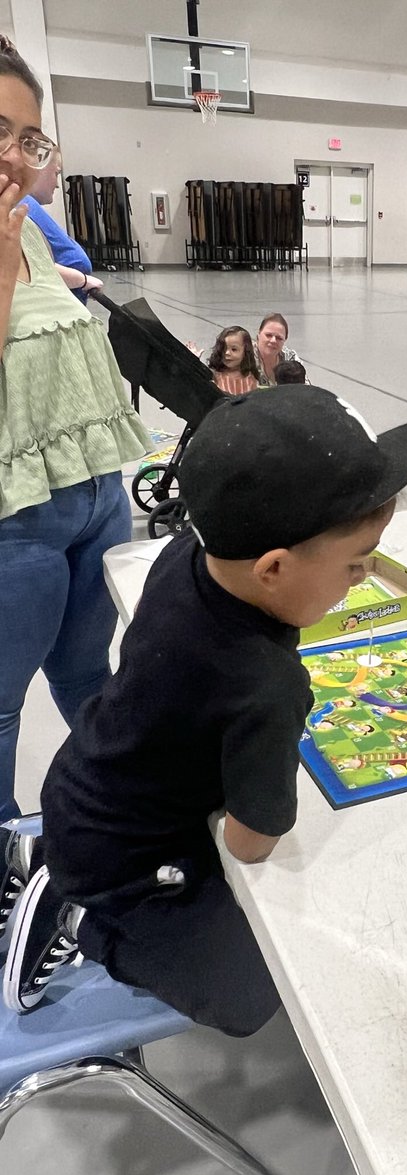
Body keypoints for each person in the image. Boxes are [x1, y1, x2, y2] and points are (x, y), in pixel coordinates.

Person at [2, 387, 407, 1034]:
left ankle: (54, 858)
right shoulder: (266, 684)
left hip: (82, 783)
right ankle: (77, 916)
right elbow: (251, 840)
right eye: (356, 566)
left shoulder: (190, 554)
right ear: (272, 568)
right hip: (125, 861)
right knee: (256, 994)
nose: (365, 575)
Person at [0, 36, 150, 823]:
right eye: (0, 132)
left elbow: (60, 298)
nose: (18, 158)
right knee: (0, 715)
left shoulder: (23, 225)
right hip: (14, 521)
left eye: (29, 137)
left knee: (93, 681)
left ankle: (113, 822)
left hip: (96, 497)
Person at [20, 148, 101, 303]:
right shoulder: (21, 207)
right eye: (56, 173)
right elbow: (32, 266)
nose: (57, 185)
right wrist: (82, 280)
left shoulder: (29, 206)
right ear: (38, 169)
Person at [207, 324, 260, 394]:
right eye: (224, 348)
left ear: (246, 352)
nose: (227, 353)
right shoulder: (215, 376)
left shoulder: (251, 380)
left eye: (234, 349)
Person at [254, 312, 303, 385]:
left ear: (285, 340)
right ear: (259, 334)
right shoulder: (244, 355)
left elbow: (304, 388)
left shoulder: (290, 357)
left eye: (279, 338)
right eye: (268, 335)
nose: (273, 340)